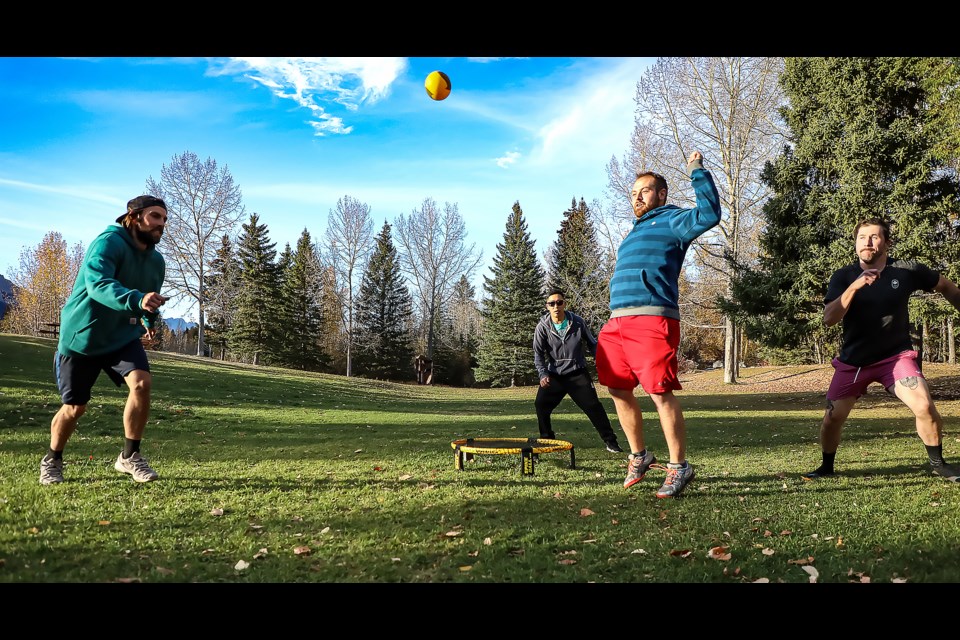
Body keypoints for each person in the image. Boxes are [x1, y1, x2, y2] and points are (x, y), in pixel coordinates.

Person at [596, 150, 722, 498]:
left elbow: (710, 213)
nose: (636, 196)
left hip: (652, 320)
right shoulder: (632, 233)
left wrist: (696, 170)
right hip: (616, 323)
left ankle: (679, 467)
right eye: (633, 192)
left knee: (658, 392)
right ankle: (640, 456)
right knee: (618, 390)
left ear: (661, 194)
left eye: (645, 190)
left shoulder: (672, 220)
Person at [802, 217, 960, 483]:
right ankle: (826, 466)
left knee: (923, 405)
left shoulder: (906, 271)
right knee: (832, 418)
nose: (868, 243)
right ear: (855, 244)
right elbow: (829, 319)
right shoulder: (844, 277)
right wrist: (855, 286)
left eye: (874, 237)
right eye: (862, 238)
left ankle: (939, 464)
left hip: (895, 358)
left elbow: (945, 286)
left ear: (886, 242)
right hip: (855, 361)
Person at [39, 195, 169, 485]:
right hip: (83, 336)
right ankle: (52, 460)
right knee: (75, 408)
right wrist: (137, 299)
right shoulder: (107, 243)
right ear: (134, 217)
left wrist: (148, 320)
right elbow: (98, 285)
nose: (161, 224)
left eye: (164, 219)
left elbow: (149, 298)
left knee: (142, 383)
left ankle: (129, 457)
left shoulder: (157, 261)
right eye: (155, 216)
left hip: (122, 335)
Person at [533, 289, 622, 453]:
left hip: (577, 374)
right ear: (547, 307)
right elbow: (538, 354)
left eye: (559, 302)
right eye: (551, 304)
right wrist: (543, 374)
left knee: (594, 407)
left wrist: (602, 361)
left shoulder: (577, 322)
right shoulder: (542, 327)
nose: (556, 307)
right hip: (555, 376)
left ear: (564, 303)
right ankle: (546, 440)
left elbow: (592, 343)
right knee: (541, 405)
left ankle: (611, 442)